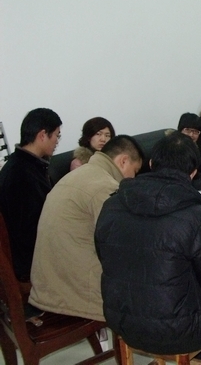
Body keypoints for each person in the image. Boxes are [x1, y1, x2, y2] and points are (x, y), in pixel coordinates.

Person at [95, 132, 201, 365]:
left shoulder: (112, 204)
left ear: (151, 164)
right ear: (193, 172)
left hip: (122, 321)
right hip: (178, 331)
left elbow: (104, 256)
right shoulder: (198, 216)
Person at [28, 135, 144, 321]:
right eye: (135, 171)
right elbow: (123, 244)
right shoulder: (104, 186)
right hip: (73, 294)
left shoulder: (77, 175)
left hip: (48, 286)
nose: (134, 178)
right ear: (123, 161)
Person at [0, 108, 62, 282]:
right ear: (42, 135)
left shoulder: (30, 165)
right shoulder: (19, 174)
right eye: (56, 136)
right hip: (31, 263)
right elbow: (27, 231)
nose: (57, 141)